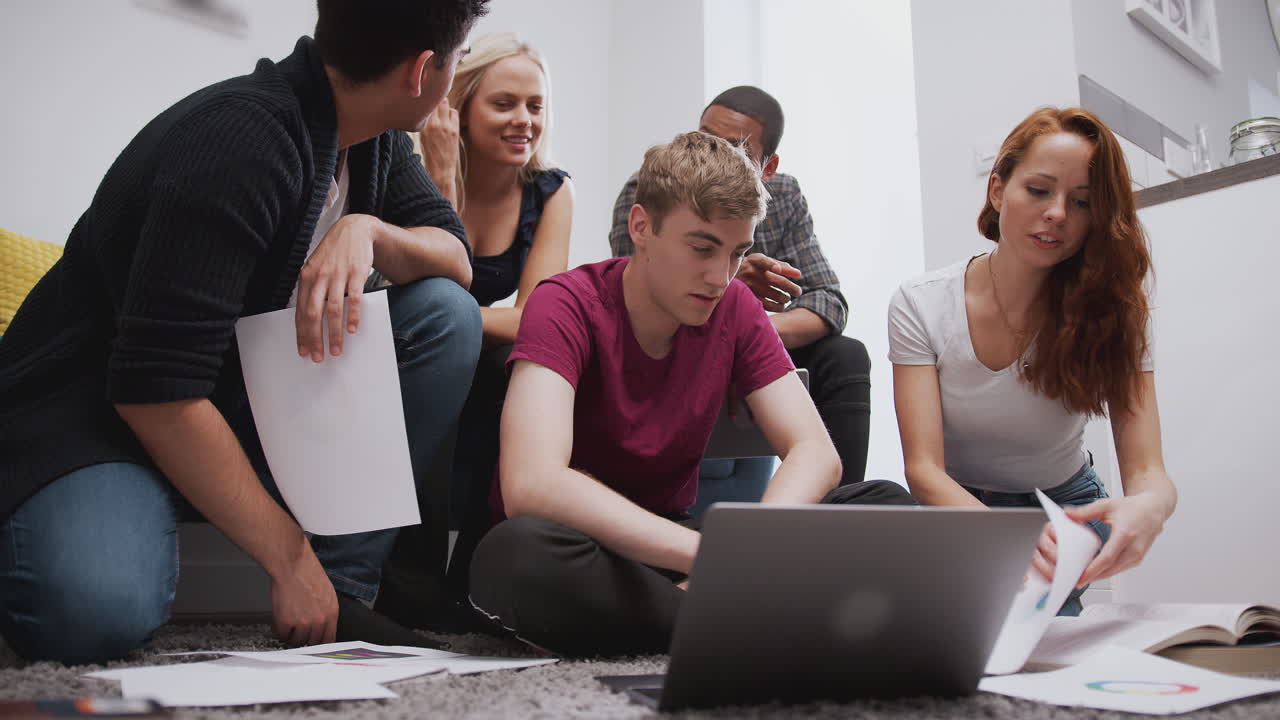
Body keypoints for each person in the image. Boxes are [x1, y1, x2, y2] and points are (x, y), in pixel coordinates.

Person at [0, 0, 490, 665]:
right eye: (460, 58)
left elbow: (456, 259)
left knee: (443, 315)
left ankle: (342, 594)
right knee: (92, 614)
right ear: (423, 70)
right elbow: (156, 393)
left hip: (228, 399)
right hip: (95, 420)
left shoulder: (371, 139)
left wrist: (367, 231)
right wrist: (288, 557)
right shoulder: (238, 143)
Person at [470, 132, 914, 657]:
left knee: (884, 506)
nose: (720, 277)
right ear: (641, 227)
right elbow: (532, 483)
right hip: (584, 542)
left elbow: (815, 453)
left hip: (673, 547)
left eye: (737, 253)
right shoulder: (565, 302)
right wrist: (714, 558)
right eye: (702, 248)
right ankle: (751, 615)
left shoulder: (735, 306)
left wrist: (741, 552)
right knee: (515, 557)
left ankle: (704, 614)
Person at [888, 107, 1177, 616]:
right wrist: (1003, 538)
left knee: (1043, 656)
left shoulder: (1115, 311)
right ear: (998, 190)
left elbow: (1148, 471)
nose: (1058, 214)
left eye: (1082, 202)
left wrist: (1150, 507)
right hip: (959, 509)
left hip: (1066, 511)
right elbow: (924, 469)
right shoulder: (922, 302)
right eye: (1039, 191)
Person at [374, 33, 573, 631]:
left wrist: (462, 325)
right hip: (404, 346)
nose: (524, 121)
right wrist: (441, 173)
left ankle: (480, 579)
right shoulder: (405, 168)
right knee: (458, 353)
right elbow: (420, 300)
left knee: (517, 364)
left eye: (535, 106)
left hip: (463, 344)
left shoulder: (550, 192)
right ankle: (412, 578)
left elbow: (538, 318)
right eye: (504, 103)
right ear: (455, 105)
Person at [609, 86, 868, 512]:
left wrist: (748, 337)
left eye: (737, 252)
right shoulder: (651, 190)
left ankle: (842, 516)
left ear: (768, 168)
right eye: (702, 247)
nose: (715, 154)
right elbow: (638, 293)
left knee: (845, 355)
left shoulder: (784, 196)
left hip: (750, 340)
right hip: (671, 343)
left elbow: (829, 301)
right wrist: (733, 286)